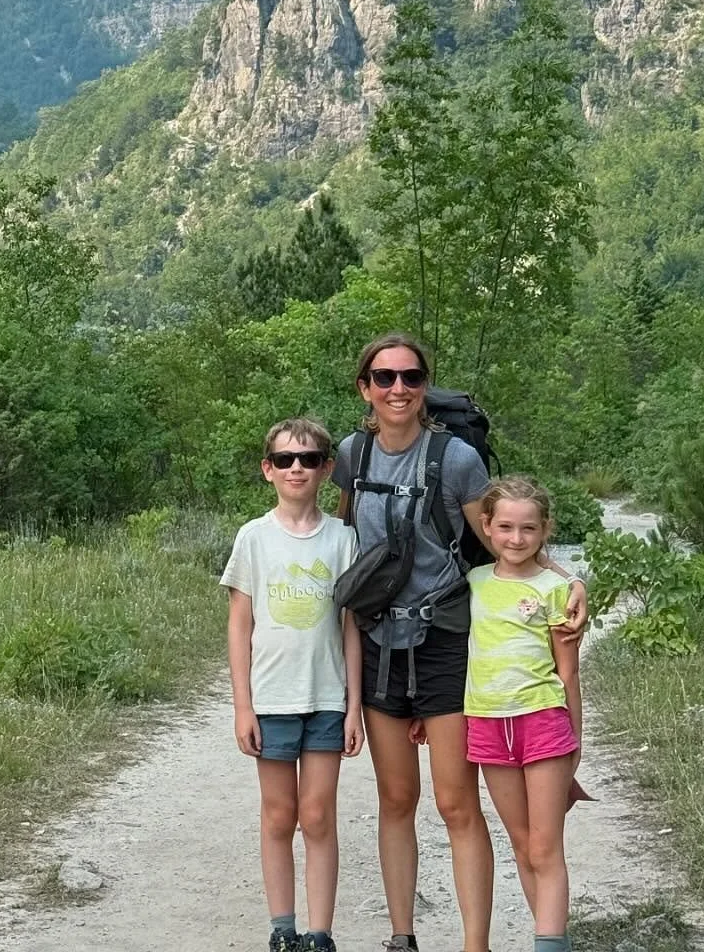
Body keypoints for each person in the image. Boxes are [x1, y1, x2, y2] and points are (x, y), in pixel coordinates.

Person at [333, 333, 587, 952]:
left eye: (411, 377)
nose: (398, 388)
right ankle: (402, 936)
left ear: (425, 386)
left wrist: (568, 580)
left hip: (446, 641)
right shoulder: (350, 455)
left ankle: (476, 944)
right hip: (378, 641)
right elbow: (339, 538)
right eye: (385, 377)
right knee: (395, 798)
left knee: (455, 803)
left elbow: (504, 540)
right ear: (364, 387)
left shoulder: (455, 460)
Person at [222, 416, 366, 952]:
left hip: (327, 696)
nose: (297, 468)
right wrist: (243, 706)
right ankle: (282, 927)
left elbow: (351, 626)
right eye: (285, 459)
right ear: (268, 469)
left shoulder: (343, 539)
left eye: (308, 459)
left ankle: (320, 932)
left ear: (327, 469)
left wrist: (353, 706)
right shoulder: (253, 539)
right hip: (272, 697)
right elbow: (241, 624)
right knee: (280, 814)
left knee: (318, 813)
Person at [465, 478, 582, 952]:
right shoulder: (472, 583)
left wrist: (576, 739)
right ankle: (553, 937)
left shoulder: (557, 590)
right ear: (487, 527)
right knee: (520, 842)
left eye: (529, 528)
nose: (517, 539)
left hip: (543, 721)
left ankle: (548, 945)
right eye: (506, 527)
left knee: (545, 846)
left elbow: (569, 674)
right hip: (488, 724)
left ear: (545, 529)